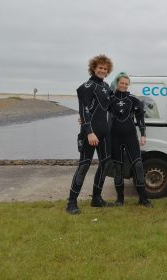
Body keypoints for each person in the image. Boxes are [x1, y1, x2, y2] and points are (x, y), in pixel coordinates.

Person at [66, 54, 114, 215]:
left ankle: (96, 198)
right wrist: (89, 132)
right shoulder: (86, 86)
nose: (102, 70)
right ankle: (71, 202)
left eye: (105, 69)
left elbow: (112, 106)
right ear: (94, 68)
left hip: (104, 132)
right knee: (84, 165)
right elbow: (84, 110)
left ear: (108, 71)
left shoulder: (106, 86)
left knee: (106, 163)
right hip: (90, 133)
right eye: (100, 67)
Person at [109, 72, 152, 208]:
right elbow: (97, 111)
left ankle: (143, 198)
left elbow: (140, 118)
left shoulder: (133, 100)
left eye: (126, 84)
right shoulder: (110, 99)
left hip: (130, 137)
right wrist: (83, 118)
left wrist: (143, 134)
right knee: (118, 168)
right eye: (121, 83)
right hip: (114, 137)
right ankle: (120, 199)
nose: (124, 85)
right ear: (117, 83)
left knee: (138, 166)